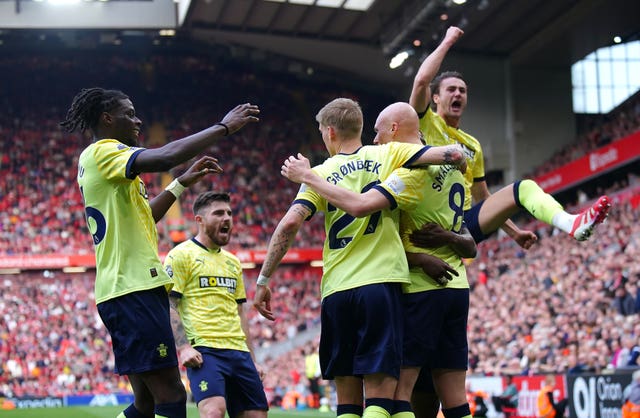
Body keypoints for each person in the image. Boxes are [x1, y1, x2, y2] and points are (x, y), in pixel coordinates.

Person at [252, 98, 466, 418]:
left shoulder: (321, 173)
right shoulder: (386, 154)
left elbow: (290, 224)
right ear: (361, 129)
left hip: (337, 290)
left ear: (330, 132)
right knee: (387, 401)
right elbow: (450, 153)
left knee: (347, 404)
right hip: (381, 286)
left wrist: (264, 279)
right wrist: (457, 158)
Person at [60, 87, 259, 418]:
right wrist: (223, 128)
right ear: (107, 119)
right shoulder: (105, 152)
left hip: (127, 289)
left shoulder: (107, 165)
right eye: (129, 113)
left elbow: (145, 217)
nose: (138, 120)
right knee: (171, 396)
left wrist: (179, 183)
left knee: (146, 402)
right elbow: (165, 155)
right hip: (133, 289)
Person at [409, 26, 611, 249]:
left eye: (462, 91)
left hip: (462, 226)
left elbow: (483, 197)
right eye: (451, 90)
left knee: (524, 187)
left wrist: (514, 233)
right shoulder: (424, 121)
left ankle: (570, 222)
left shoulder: (472, 145)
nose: (458, 94)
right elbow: (420, 82)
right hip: (427, 224)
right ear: (435, 97)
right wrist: (447, 42)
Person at [163, 192, 268, 418]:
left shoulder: (233, 262)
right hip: (205, 350)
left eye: (229, 213)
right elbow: (169, 305)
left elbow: (240, 314)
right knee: (213, 412)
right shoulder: (181, 255)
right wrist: (183, 348)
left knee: (256, 416)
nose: (227, 218)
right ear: (199, 220)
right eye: (219, 213)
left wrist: (252, 360)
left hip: (239, 352)